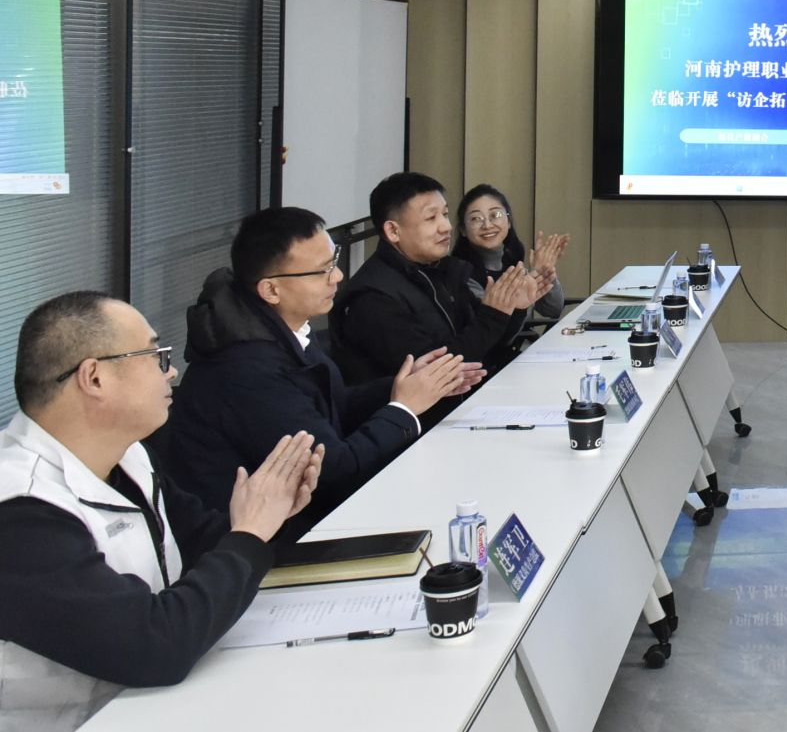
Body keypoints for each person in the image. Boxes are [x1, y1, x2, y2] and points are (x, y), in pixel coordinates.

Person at [0, 291, 323, 729]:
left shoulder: (130, 457)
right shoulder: (20, 510)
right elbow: (154, 646)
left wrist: (270, 513)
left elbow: (207, 542)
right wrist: (249, 534)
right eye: (155, 356)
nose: (170, 371)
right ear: (94, 378)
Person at [150, 207, 482, 530]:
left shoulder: (279, 329)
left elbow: (331, 406)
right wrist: (404, 409)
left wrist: (407, 385)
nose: (337, 276)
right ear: (271, 289)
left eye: (334, 261)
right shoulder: (244, 369)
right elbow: (334, 470)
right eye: (322, 270)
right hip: (270, 542)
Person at [330, 171, 551, 384]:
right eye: (431, 217)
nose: (446, 227)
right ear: (393, 231)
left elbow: (485, 346)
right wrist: (494, 314)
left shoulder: (441, 270)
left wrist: (514, 308)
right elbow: (438, 373)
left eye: (445, 214)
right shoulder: (373, 299)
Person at [451, 183, 569, 323]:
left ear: (508, 222)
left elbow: (553, 310)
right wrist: (532, 279)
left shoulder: (511, 260)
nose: (487, 225)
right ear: (463, 229)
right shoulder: (461, 274)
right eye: (476, 218)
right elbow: (492, 329)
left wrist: (544, 273)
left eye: (496, 215)